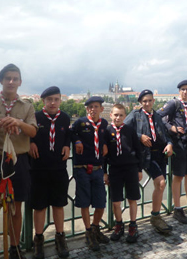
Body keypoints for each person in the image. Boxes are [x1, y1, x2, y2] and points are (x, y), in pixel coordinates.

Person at [0, 64, 38, 259]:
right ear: (1, 80)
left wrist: (19, 123)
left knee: (16, 209)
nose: (11, 82)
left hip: (18, 162)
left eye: (15, 78)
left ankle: (14, 249)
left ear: (20, 82)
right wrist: (1, 123)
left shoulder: (27, 106)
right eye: (7, 78)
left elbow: (33, 131)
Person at [28, 86, 71, 259]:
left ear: (60, 100)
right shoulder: (35, 117)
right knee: (39, 206)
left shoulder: (65, 117)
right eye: (49, 99)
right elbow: (27, 132)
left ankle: (60, 238)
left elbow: (68, 134)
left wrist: (68, 144)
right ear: (43, 101)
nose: (53, 102)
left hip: (59, 169)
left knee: (59, 205)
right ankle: (38, 240)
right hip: (38, 168)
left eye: (56, 99)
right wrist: (30, 141)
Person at [124, 89, 173, 234]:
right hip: (145, 155)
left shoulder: (157, 116)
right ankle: (155, 217)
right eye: (144, 101)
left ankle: (155, 216)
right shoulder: (135, 115)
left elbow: (166, 135)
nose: (147, 103)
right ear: (140, 102)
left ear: (153, 101)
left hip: (160, 155)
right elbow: (124, 129)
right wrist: (140, 136)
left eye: (150, 100)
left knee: (160, 185)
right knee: (161, 182)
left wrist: (170, 144)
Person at [157, 80, 187, 224]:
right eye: (183, 89)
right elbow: (159, 117)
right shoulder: (173, 104)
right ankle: (177, 209)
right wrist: (171, 128)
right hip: (178, 143)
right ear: (179, 91)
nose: (185, 92)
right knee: (178, 176)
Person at [70, 96, 110, 251]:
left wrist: (105, 143)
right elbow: (70, 133)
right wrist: (77, 141)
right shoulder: (80, 123)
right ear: (87, 109)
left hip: (98, 169)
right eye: (90, 107)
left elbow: (104, 137)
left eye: (96, 106)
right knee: (85, 202)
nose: (93, 109)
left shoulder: (103, 123)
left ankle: (95, 228)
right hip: (82, 168)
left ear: (101, 109)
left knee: (101, 203)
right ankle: (88, 233)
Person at [103, 104, 143, 243]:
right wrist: (104, 172)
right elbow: (104, 154)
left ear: (125, 116)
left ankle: (133, 225)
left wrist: (139, 169)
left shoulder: (130, 130)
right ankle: (119, 224)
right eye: (115, 115)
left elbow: (138, 150)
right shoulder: (107, 132)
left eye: (121, 115)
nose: (118, 117)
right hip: (115, 169)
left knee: (132, 198)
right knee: (116, 201)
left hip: (131, 168)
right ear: (111, 115)